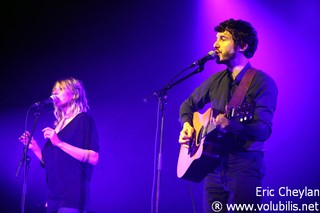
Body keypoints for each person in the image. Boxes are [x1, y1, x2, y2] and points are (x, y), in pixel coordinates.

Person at [178, 19, 278, 212]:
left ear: (242, 45)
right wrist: (187, 125)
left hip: (244, 166)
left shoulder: (262, 82)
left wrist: (234, 126)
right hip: (212, 166)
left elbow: (264, 130)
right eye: (216, 38)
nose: (215, 44)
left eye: (223, 39)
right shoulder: (216, 80)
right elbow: (187, 105)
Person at [19, 77, 100, 213]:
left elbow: (93, 158)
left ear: (75, 94)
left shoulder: (84, 120)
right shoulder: (57, 126)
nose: (55, 93)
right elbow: (51, 163)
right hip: (53, 195)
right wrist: (35, 148)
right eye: (54, 90)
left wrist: (59, 143)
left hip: (74, 194)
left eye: (61, 89)